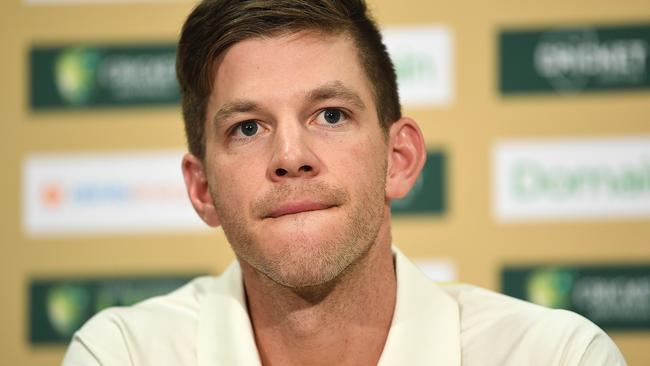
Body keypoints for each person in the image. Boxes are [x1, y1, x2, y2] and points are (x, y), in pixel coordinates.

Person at [62, 1, 627, 365]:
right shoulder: (122, 354)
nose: (290, 157)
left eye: (330, 115)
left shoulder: (556, 356)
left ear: (399, 159)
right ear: (203, 188)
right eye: (248, 127)